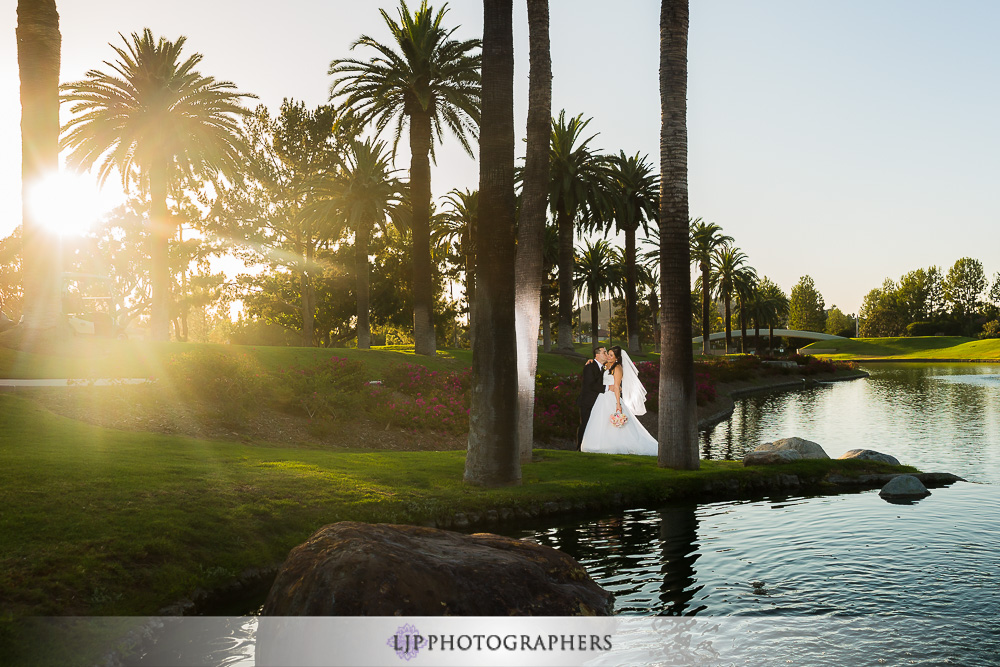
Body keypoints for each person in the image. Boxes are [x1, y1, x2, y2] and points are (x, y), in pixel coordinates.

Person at [580, 345, 658, 456]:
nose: (608, 356)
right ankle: (597, 444)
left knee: (613, 425)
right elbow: (596, 373)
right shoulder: (606, 366)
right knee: (600, 422)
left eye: (610, 355)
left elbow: (616, 387)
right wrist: (592, 360)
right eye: (607, 353)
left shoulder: (618, 368)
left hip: (611, 398)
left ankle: (618, 444)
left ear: (617, 358)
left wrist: (618, 404)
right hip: (601, 398)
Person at [575, 345, 608, 450]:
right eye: (604, 352)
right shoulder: (590, 366)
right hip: (587, 402)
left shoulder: (604, 367)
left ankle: (591, 447)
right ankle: (579, 447)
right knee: (585, 424)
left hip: (599, 402)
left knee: (596, 426)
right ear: (597, 355)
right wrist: (608, 387)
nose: (606, 355)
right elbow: (591, 384)